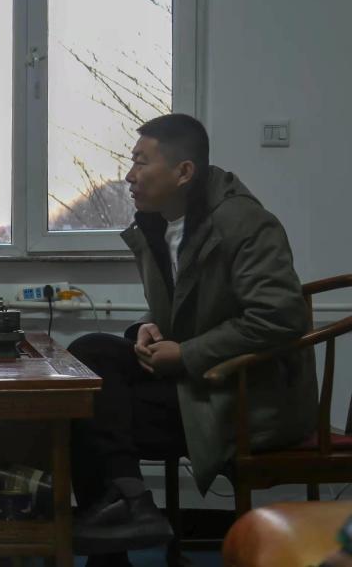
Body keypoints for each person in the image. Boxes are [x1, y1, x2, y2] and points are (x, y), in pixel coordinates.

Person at [69, 114, 317, 565]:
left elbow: (282, 316)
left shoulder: (245, 224)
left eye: (141, 162)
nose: (129, 175)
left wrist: (187, 353)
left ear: (184, 172)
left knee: (88, 409)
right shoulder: (160, 224)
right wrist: (147, 328)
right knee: (89, 354)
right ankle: (130, 503)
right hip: (196, 380)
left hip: (245, 395)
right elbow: (186, 306)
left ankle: (115, 538)